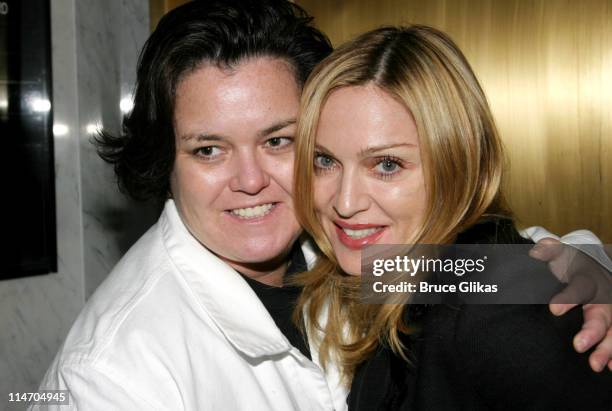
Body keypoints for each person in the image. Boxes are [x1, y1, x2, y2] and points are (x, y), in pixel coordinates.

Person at [33, 1, 610, 409]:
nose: (251, 180)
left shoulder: (356, 253)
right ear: (166, 162)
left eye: (279, 141)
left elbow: (476, 264)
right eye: (209, 150)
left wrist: (590, 263)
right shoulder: (110, 376)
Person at [292, 25, 612, 410]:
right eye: (324, 160)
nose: (344, 202)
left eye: (387, 165)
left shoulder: (492, 312)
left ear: (457, 165)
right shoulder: (402, 274)